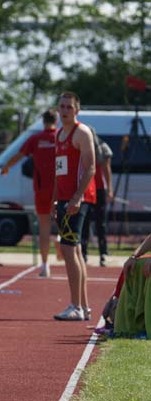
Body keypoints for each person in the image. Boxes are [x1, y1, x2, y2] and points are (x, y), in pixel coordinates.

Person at [52, 91, 97, 322]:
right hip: (64, 199)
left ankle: (76, 306)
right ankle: (84, 307)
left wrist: (77, 197)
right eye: (62, 106)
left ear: (77, 110)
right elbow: (59, 171)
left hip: (79, 199)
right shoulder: (59, 134)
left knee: (68, 249)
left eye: (69, 107)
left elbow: (91, 167)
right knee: (75, 250)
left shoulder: (82, 132)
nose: (65, 110)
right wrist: (55, 199)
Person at [0, 109, 58, 277]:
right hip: (60, 188)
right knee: (65, 224)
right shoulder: (61, 137)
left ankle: (45, 265)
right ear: (56, 120)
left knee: (44, 227)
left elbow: (20, 155)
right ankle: (61, 244)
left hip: (42, 188)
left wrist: (6, 166)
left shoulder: (36, 138)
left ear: (43, 121)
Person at [81, 130, 113, 266]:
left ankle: (102, 253)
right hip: (87, 189)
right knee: (85, 222)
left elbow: (107, 169)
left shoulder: (102, 149)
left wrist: (109, 189)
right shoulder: (82, 147)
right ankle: (83, 253)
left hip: (98, 189)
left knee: (100, 223)